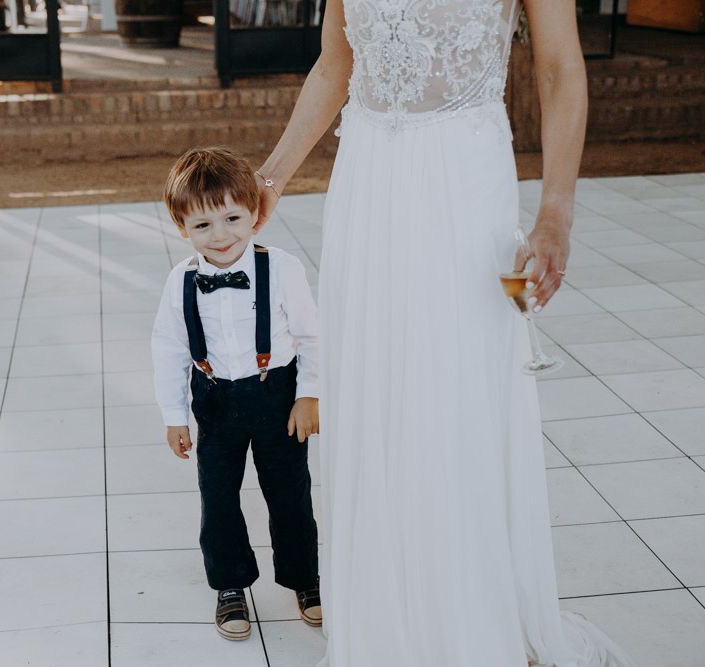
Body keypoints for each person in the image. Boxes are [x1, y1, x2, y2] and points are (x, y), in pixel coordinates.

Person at [252, 1, 637, 665]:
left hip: (464, 180)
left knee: (459, 393)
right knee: (380, 394)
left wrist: (554, 212)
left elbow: (558, 68)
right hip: (369, 180)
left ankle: (471, 618)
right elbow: (335, 63)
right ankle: (386, 616)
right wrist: (273, 174)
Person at [151, 146, 322, 641]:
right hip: (216, 403)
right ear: (182, 228)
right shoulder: (180, 280)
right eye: (203, 226)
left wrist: (309, 395)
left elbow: (312, 337)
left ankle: (303, 579)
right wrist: (174, 414)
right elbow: (168, 347)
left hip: (278, 398)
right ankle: (230, 584)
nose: (221, 235)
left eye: (232, 218)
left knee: (290, 493)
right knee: (218, 497)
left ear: (254, 214)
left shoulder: (283, 269)